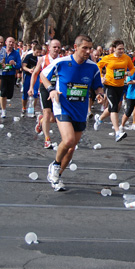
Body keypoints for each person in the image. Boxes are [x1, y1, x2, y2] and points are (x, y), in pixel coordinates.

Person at [42, 34, 104, 192]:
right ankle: (55, 164)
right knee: (68, 139)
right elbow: (43, 75)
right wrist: (51, 90)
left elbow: (98, 86)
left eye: (90, 48)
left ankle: (57, 176)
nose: (88, 51)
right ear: (76, 47)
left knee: (71, 148)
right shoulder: (62, 62)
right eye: (85, 48)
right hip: (62, 106)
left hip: (80, 110)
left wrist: (100, 94)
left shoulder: (92, 67)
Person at [94, 40, 135, 142]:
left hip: (120, 85)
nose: (121, 51)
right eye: (119, 49)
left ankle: (99, 120)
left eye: (123, 49)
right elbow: (97, 66)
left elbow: (132, 68)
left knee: (113, 107)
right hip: (109, 85)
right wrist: (101, 77)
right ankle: (117, 133)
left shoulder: (126, 58)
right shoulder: (108, 58)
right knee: (114, 107)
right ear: (114, 49)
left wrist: (129, 73)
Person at [30, 40, 62, 149]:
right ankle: (47, 140)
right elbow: (35, 73)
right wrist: (31, 88)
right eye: (54, 47)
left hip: (57, 88)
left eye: (58, 47)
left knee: (53, 118)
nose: (56, 49)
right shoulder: (43, 59)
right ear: (49, 48)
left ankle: (41, 120)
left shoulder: (62, 59)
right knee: (47, 113)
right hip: (44, 87)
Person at [0, 37, 22, 118]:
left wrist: (14, 63)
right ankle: (3, 111)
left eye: (12, 42)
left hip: (11, 75)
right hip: (2, 74)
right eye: (9, 42)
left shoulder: (16, 53)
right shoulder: (1, 51)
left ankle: (4, 106)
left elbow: (19, 65)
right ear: (6, 42)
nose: (11, 43)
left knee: (10, 95)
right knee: (3, 92)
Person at [21, 44, 42, 117]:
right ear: (34, 50)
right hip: (28, 75)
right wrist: (29, 70)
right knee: (26, 92)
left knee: (35, 92)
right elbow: (24, 66)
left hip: (36, 76)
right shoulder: (29, 56)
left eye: (40, 52)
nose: (38, 54)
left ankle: (32, 108)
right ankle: (24, 107)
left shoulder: (40, 58)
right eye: (37, 52)